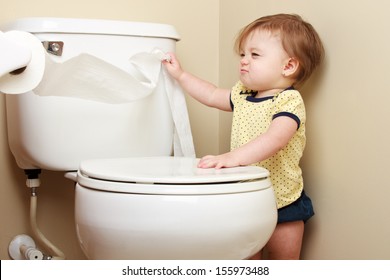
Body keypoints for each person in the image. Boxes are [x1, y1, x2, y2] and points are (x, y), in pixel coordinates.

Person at [163, 13, 324, 260]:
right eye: (243, 54)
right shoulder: (243, 94)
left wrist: (233, 158)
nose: (244, 61)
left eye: (255, 55)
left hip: (284, 201)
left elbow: (275, 139)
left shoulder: (288, 100)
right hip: (248, 198)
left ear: (288, 66)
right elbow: (211, 94)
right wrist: (181, 76)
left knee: (285, 261)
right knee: (246, 259)